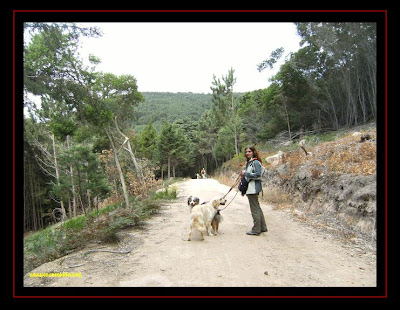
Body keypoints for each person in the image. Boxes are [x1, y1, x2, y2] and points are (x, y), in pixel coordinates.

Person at [240, 146, 268, 236]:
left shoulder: (255, 162)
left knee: (254, 209)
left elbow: (257, 175)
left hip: (253, 189)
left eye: (249, 151)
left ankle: (256, 229)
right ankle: (262, 227)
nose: (247, 153)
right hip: (252, 188)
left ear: (253, 152)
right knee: (257, 208)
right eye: (246, 151)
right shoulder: (250, 162)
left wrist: (246, 173)